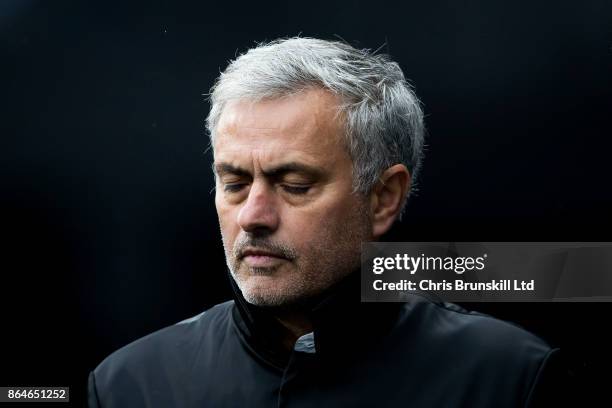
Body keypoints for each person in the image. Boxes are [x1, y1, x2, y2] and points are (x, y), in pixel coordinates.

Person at [88, 37, 569, 407]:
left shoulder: (508, 379)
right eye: (234, 183)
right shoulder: (130, 385)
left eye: (294, 185)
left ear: (383, 198)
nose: (253, 216)